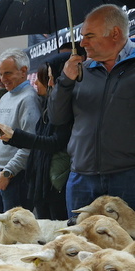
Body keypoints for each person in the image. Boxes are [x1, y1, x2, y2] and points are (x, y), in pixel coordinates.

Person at [49, 4, 135, 217]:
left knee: (126, 248)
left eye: (89, 36)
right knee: (79, 248)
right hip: (81, 178)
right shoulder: (79, 71)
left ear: (115, 34)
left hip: (128, 177)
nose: (82, 43)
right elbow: (56, 118)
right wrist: (66, 81)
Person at [0, 54, 71, 220]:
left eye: (45, 78)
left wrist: (15, 137)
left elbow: (52, 143)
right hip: (40, 181)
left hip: (51, 182)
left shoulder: (35, 101)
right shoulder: (45, 104)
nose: (35, 83)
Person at [0, 48, 40, 211]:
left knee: (14, 233)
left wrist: (9, 171)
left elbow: (30, 143)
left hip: (14, 178)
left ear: (24, 71)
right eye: (1, 74)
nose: (3, 79)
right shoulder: (5, 96)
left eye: (7, 73)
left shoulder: (29, 99)